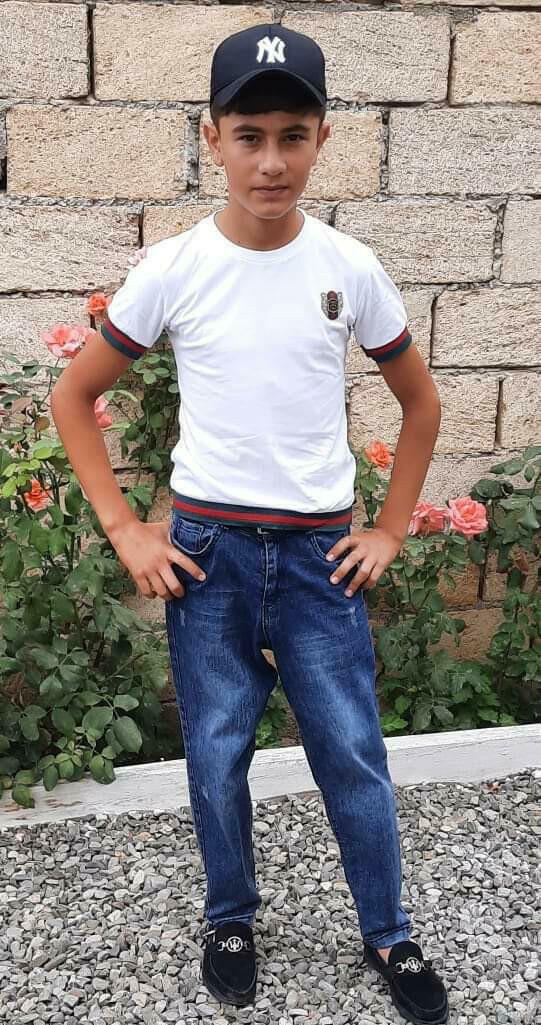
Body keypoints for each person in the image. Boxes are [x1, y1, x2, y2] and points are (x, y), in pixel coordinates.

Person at [51, 21, 448, 1025]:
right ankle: (229, 917)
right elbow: (74, 395)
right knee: (218, 748)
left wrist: (389, 528)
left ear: (323, 140)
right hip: (208, 557)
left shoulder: (348, 267)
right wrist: (126, 528)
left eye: (292, 136)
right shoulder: (175, 268)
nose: (270, 160)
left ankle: (388, 929)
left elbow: (420, 403)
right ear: (211, 138)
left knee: (350, 749)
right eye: (249, 135)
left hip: (319, 560)